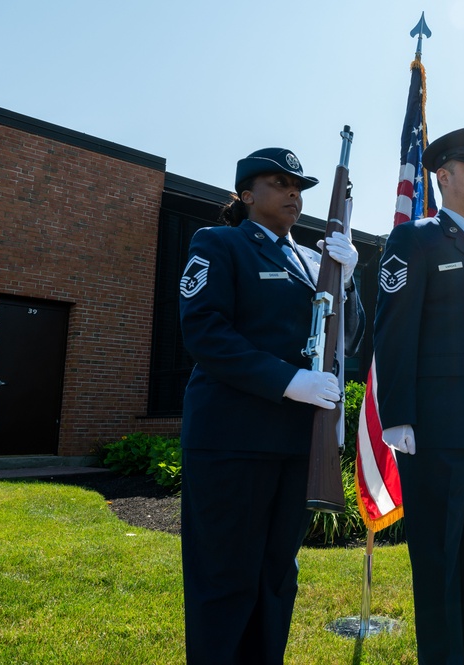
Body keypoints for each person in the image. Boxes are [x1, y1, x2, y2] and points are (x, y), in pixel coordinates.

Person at [178, 147, 365, 664]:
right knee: (225, 577)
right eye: (279, 183)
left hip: (292, 443)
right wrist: (288, 381)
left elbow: (347, 342)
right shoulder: (220, 244)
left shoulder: (312, 261)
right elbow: (205, 333)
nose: (292, 194)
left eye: (299, 187)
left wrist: (347, 286)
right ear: (245, 194)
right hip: (231, 440)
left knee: (277, 574)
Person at [373, 126, 464, 665]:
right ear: (443, 177)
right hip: (437, 429)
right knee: (437, 558)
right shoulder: (417, 238)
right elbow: (395, 328)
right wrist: (398, 416)